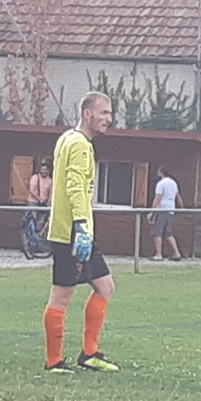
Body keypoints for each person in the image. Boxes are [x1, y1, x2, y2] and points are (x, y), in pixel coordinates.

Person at [42, 91, 119, 374]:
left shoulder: (68, 138)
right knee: (62, 295)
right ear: (88, 114)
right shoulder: (79, 144)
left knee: (105, 286)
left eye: (109, 113)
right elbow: (75, 187)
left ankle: (89, 354)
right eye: (104, 113)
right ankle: (53, 361)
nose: (108, 119)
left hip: (75, 230)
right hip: (71, 234)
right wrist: (81, 227)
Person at [150, 166, 183, 261]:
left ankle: (158, 254)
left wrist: (152, 211)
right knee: (168, 232)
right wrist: (182, 207)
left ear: (161, 172)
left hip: (162, 209)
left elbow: (158, 198)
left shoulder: (161, 184)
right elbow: (178, 197)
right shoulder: (174, 183)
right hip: (171, 210)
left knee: (157, 232)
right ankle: (177, 253)